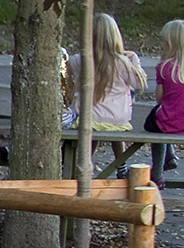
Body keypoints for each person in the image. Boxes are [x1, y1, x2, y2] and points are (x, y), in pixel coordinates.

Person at [66, 12, 148, 176]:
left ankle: (83, 165)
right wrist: (134, 59)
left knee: (92, 132)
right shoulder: (122, 62)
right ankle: (121, 167)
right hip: (117, 119)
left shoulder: (82, 60)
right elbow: (138, 83)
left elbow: (68, 65)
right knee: (116, 133)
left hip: (90, 118)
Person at [145, 19, 184, 187]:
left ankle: (158, 173)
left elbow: (160, 98)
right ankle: (171, 156)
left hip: (169, 122)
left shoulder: (164, 67)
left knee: (155, 123)